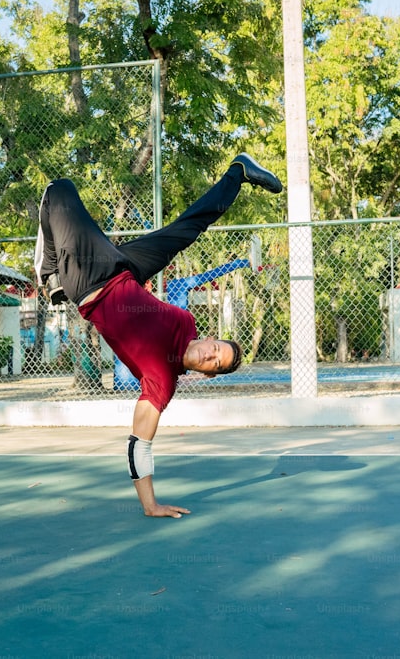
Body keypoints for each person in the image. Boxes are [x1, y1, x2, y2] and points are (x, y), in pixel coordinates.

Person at [34, 153, 282, 518]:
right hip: (125, 270)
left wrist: (150, 505)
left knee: (60, 190)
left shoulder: (161, 382)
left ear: (208, 374)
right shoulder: (187, 324)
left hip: (91, 283)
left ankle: (51, 272)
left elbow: (140, 445)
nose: (210, 355)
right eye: (215, 347)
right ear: (209, 337)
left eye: (215, 362)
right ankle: (238, 172)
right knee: (185, 231)